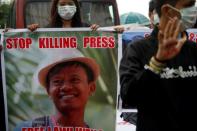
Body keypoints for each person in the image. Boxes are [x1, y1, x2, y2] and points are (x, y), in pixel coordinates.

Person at [119, 0, 197, 131]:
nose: (194, 10)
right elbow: (129, 96)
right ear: (167, 10)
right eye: (188, 5)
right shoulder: (138, 49)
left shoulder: (193, 50)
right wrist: (157, 62)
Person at [14, 49, 100, 130]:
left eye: (75, 80)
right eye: (57, 81)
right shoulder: (27, 128)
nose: (66, 87)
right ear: (48, 91)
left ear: (91, 88)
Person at [28, 0, 99, 31]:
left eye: (70, 4)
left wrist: (97, 31)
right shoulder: (48, 30)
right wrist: (35, 32)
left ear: (76, 7)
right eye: (62, 4)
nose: (66, 7)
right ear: (56, 8)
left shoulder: (86, 29)